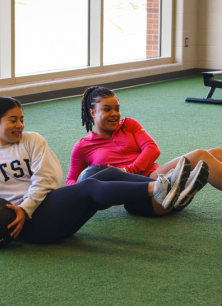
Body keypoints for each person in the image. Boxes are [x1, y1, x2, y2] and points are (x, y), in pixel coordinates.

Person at [0, 97, 191, 244]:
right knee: (91, 185)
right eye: (12, 120)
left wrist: (26, 207)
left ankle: (169, 187)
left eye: (21, 119)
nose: (20, 125)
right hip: (28, 228)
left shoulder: (31, 140)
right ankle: (160, 188)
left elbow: (48, 180)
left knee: (105, 173)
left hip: (46, 211)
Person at [66, 86, 211, 216]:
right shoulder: (82, 147)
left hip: (157, 176)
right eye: (107, 109)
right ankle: (179, 186)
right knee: (199, 156)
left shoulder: (129, 124)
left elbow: (152, 149)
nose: (114, 114)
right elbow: (70, 181)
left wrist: (127, 170)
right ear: (92, 112)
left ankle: (178, 188)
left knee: (208, 154)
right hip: (137, 197)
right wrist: (88, 185)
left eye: (117, 109)